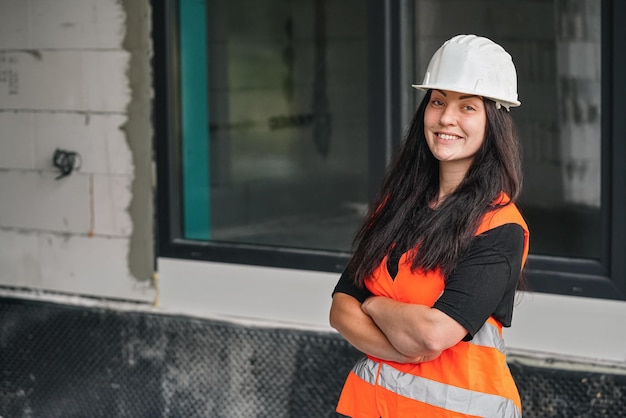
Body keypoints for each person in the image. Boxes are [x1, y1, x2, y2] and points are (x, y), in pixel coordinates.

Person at [329, 34, 530, 418]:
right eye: (437, 101)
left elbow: (433, 334)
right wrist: (400, 346)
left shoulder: (501, 227)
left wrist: (371, 304)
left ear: (494, 122)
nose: (445, 118)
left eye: (467, 107)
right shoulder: (396, 206)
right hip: (369, 407)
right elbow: (340, 308)